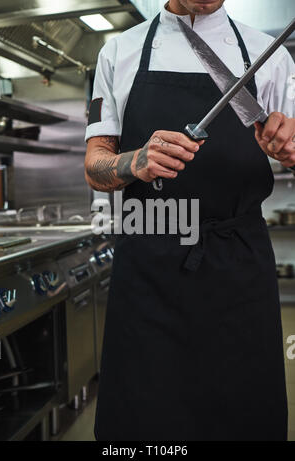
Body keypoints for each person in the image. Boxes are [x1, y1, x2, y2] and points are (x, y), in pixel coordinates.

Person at [84, 0, 295, 441]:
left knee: (245, 411)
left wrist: (291, 150)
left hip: (238, 265)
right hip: (148, 266)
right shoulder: (119, 51)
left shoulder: (268, 54)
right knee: (145, 419)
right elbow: (95, 165)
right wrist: (134, 161)